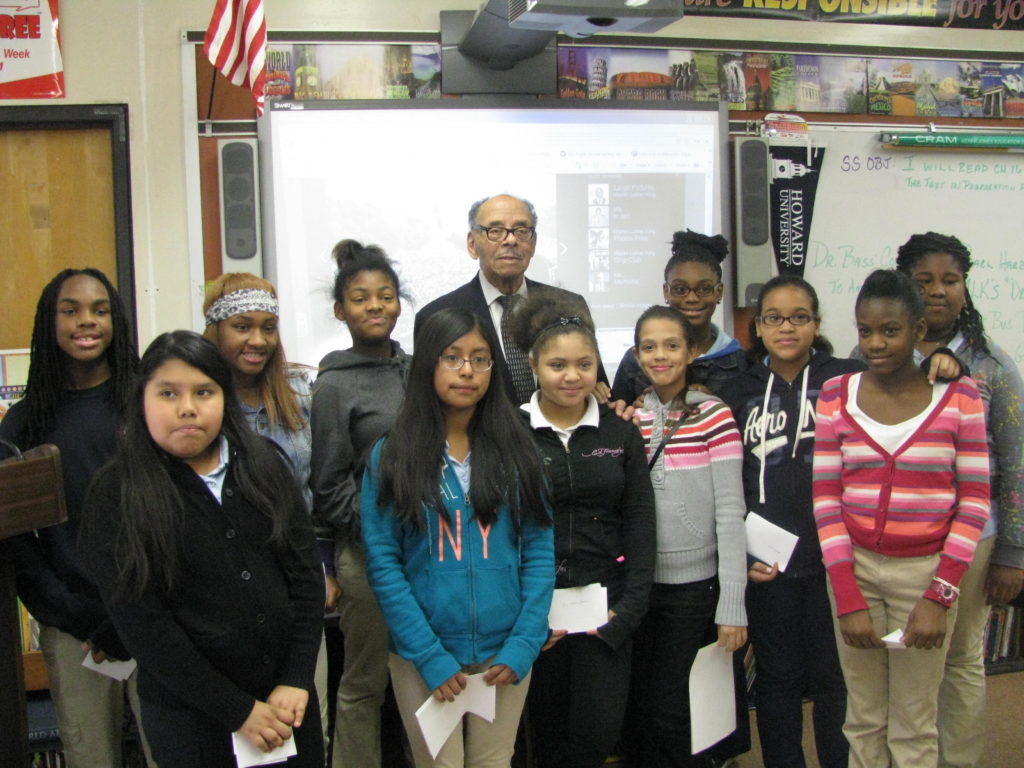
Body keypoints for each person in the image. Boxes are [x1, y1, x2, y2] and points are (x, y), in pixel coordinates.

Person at [80, 331, 324, 767]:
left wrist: (296, 677)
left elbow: (306, 578)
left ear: (224, 398)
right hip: (191, 717)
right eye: (168, 393)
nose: (188, 407)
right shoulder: (116, 494)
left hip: (286, 704)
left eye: (204, 392)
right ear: (142, 398)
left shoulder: (264, 465)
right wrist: (238, 711)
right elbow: (145, 628)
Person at [360, 308, 554, 767]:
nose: (467, 370)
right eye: (452, 357)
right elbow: (383, 562)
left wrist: (525, 642)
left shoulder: (519, 449)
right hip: (423, 656)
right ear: (428, 363)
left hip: (503, 653)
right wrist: (428, 655)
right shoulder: (392, 454)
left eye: (480, 358)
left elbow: (540, 552)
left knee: (493, 762)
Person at [813, 269, 991, 768]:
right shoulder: (835, 395)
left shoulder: (961, 398)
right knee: (864, 720)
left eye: (890, 331)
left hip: (926, 575)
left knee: (914, 726)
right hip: (855, 572)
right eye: (865, 330)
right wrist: (846, 593)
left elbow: (975, 501)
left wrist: (941, 594)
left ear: (918, 330)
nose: (875, 343)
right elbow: (825, 499)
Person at [0, 268, 152, 767]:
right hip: (76, 630)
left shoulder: (149, 403)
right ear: (50, 321)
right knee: (91, 756)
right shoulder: (24, 422)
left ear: (116, 320)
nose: (86, 321)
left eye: (100, 309)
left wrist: (139, 611)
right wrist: (81, 616)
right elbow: (20, 544)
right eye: (71, 310)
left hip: (158, 615)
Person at [893, 232, 1024, 768]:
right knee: (904, 655)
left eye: (950, 280)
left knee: (963, 657)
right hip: (896, 536)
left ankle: (958, 761)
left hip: (974, 537)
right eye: (923, 281)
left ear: (965, 288)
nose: (938, 291)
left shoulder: (993, 364)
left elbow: (1014, 463)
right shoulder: (875, 351)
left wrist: (1014, 552)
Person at [510, 294, 655, 768]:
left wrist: (629, 610)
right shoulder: (509, 431)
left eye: (584, 364)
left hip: (606, 612)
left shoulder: (619, 431)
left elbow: (639, 522)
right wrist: (522, 616)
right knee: (544, 740)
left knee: (597, 736)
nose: (571, 376)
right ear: (533, 365)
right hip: (534, 615)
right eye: (557, 364)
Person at [720, 276, 853, 768]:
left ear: (817, 323)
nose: (787, 326)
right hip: (767, 563)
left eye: (800, 316)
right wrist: (743, 553)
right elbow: (727, 480)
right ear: (758, 326)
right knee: (777, 680)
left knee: (835, 680)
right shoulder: (739, 390)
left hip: (835, 558)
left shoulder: (847, 379)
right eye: (774, 317)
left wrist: (952, 363)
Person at [202, 273, 334, 758]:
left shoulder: (302, 394)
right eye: (242, 326)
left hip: (297, 591)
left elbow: (322, 485)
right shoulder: (199, 402)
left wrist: (325, 563)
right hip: (220, 596)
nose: (258, 340)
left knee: (302, 731)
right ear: (215, 329)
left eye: (269, 327)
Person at [626, 305, 746, 768]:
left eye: (672, 345)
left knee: (673, 706)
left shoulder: (714, 415)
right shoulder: (630, 418)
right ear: (637, 355)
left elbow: (731, 511)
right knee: (646, 709)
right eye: (650, 347)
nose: (661, 356)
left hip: (695, 590)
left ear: (692, 351)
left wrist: (732, 604)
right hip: (642, 587)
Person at [309, 240, 412, 768]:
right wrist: (380, 536)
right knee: (364, 683)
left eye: (386, 296)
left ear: (400, 303)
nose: (375, 306)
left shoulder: (420, 370)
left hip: (431, 551)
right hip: (369, 559)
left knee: (426, 677)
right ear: (340, 310)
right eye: (360, 298)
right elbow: (328, 484)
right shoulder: (333, 385)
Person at [414, 194, 608, 405]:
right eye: (495, 231)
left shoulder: (568, 306)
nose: (511, 240)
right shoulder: (436, 316)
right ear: (472, 244)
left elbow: (598, 388)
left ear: (533, 243)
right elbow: (425, 402)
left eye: (522, 231)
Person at [612, 230, 746, 403]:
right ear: (666, 292)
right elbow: (617, 416)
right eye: (680, 289)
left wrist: (714, 404)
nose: (692, 298)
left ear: (719, 292)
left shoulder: (737, 361)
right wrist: (636, 412)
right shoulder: (635, 362)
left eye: (704, 289)